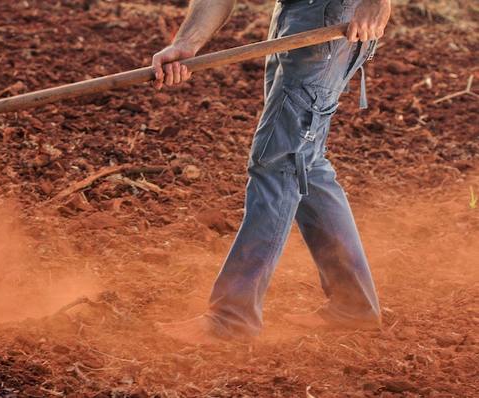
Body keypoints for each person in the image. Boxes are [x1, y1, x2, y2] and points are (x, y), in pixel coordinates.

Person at [152, 0, 391, 344]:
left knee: (278, 161)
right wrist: (186, 43)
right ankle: (353, 304)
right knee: (302, 159)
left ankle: (231, 319)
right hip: (297, 14)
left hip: (336, 13)